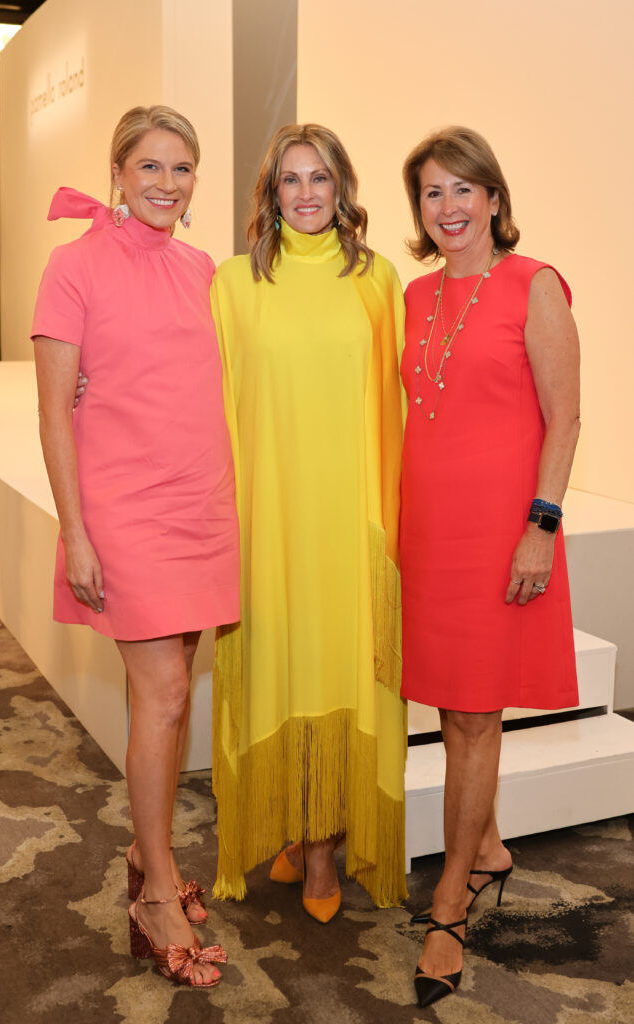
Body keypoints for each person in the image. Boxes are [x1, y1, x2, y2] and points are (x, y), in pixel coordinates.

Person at [31, 105, 239, 987]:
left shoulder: (204, 269)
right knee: (159, 695)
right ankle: (155, 887)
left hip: (202, 505)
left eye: (181, 168)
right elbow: (53, 412)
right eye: (149, 167)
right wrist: (75, 531)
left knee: (172, 690)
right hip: (123, 514)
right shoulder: (71, 266)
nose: (165, 184)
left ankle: (144, 848)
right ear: (118, 173)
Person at [399, 126, 580, 1007]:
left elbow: (565, 417)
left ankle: (447, 906)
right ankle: (491, 846)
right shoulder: (410, 297)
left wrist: (539, 527)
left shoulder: (533, 285)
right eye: (432, 193)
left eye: (463, 189)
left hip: (502, 533)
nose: (449, 207)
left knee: (473, 717)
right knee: (450, 704)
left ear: (495, 199)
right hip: (428, 534)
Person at [210, 123, 408, 920]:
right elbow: (202, 395)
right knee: (278, 667)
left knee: (334, 671)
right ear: (269, 193)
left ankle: (322, 848)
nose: (304, 194)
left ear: (342, 189)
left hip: (350, 517)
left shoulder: (378, 280)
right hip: (266, 517)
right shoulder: (231, 285)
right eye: (289, 180)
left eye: (319, 178)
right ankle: (292, 830)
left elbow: (404, 401)